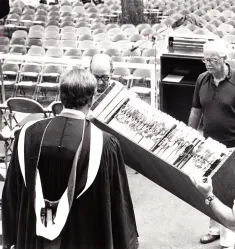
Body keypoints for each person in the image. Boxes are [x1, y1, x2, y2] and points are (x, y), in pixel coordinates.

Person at [2, 69, 139, 249]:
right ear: (92, 99)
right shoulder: (104, 144)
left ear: (61, 96)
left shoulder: (28, 133)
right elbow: (118, 203)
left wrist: (11, 236)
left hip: (35, 238)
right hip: (83, 236)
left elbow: (11, 191)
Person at [188, 40, 235, 248]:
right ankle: (213, 230)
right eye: (204, 59)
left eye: (212, 60)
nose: (207, 63)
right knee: (210, 188)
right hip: (209, 144)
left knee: (228, 192)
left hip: (233, 145)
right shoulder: (201, 79)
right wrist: (189, 135)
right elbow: (195, 110)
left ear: (224, 60)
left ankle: (227, 240)